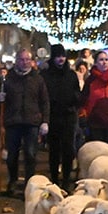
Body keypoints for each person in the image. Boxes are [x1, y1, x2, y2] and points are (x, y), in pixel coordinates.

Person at [0, 48, 48, 196]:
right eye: (22, 59)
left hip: (31, 121)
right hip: (13, 121)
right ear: (16, 61)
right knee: (12, 155)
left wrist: (45, 121)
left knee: (31, 154)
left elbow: (44, 101)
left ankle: (29, 183)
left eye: (27, 59)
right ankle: (13, 180)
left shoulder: (37, 79)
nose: (25, 62)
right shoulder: (8, 79)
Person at [42, 44, 81, 187]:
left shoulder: (71, 75)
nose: (61, 59)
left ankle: (65, 179)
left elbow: (77, 92)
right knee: (54, 149)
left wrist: (74, 101)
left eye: (63, 56)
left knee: (68, 149)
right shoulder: (46, 75)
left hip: (68, 116)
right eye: (58, 56)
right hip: (53, 116)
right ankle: (54, 177)